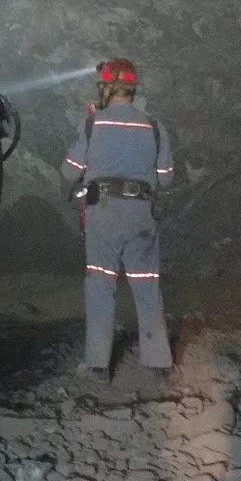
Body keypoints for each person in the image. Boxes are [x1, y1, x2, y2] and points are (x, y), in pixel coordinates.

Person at [60, 58, 175, 380]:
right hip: (141, 215)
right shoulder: (154, 127)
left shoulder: (92, 124)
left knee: (100, 284)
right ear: (132, 90)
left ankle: (98, 365)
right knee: (147, 285)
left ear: (107, 88)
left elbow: (69, 170)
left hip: (104, 213)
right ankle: (158, 364)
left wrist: (74, 192)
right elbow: (166, 177)